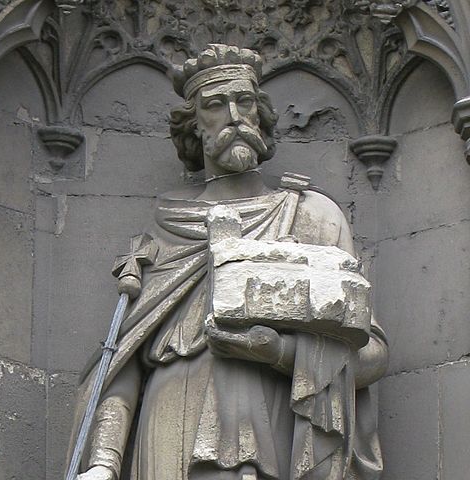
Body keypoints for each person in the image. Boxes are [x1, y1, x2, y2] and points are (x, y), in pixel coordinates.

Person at [72, 44, 388, 480]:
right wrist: (104, 462)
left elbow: (370, 355)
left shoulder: (313, 216)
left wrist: (278, 351)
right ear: (194, 127)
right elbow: (122, 365)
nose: (236, 117)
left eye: (246, 102)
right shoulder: (163, 233)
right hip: (169, 428)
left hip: (271, 423)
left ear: (261, 115)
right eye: (216, 105)